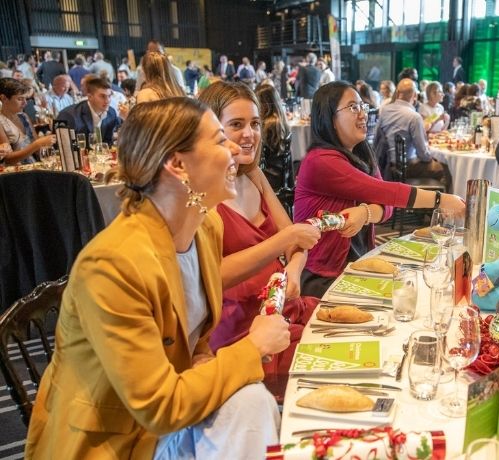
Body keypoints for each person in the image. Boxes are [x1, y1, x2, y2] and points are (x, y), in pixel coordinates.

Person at [24, 97, 289, 459]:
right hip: (115, 443)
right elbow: (158, 408)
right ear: (178, 165)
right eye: (218, 139)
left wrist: (204, 359)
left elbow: (194, 340)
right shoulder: (113, 266)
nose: (234, 147)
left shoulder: (205, 227)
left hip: (168, 421)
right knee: (252, 403)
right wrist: (252, 347)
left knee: (253, 402)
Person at [198, 82, 320, 396]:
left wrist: (293, 270)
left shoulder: (254, 175)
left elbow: (297, 243)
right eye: (236, 124)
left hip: (281, 308)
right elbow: (210, 276)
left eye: (254, 123)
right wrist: (285, 241)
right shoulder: (200, 195)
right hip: (241, 328)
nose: (250, 134)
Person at [294, 81, 465, 297]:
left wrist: (364, 213)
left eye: (362, 106)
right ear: (330, 119)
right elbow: (387, 192)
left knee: (416, 290)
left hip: (358, 263)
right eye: (352, 107)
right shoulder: (320, 161)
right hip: (322, 276)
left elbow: (388, 206)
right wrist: (441, 200)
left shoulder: (361, 153)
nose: (363, 114)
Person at [374, 78, 451, 191]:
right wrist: (432, 158)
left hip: (387, 164)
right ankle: (437, 205)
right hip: (407, 167)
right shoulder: (414, 116)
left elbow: (376, 137)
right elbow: (423, 154)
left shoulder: (385, 110)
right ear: (414, 95)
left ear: (398, 93)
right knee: (444, 169)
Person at [0, 78, 55, 165]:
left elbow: (38, 151)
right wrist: (37, 144)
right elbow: (8, 159)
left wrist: (49, 139)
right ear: (4, 99)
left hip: (34, 167)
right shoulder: (1, 121)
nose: (25, 103)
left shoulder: (23, 116)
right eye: (20, 99)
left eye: (25, 99)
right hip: (15, 174)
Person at [56, 76, 123, 145]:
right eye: (102, 96)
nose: (107, 101)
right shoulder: (67, 115)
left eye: (109, 96)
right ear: (90, 97)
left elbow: (108, 143)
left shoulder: (111, 113)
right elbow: (59, 146)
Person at [256, 84, 292, 193]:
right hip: (282, 178)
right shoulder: (282, 123)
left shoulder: (268, 125)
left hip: (270, 180)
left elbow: (260, 157)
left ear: (264, 104)